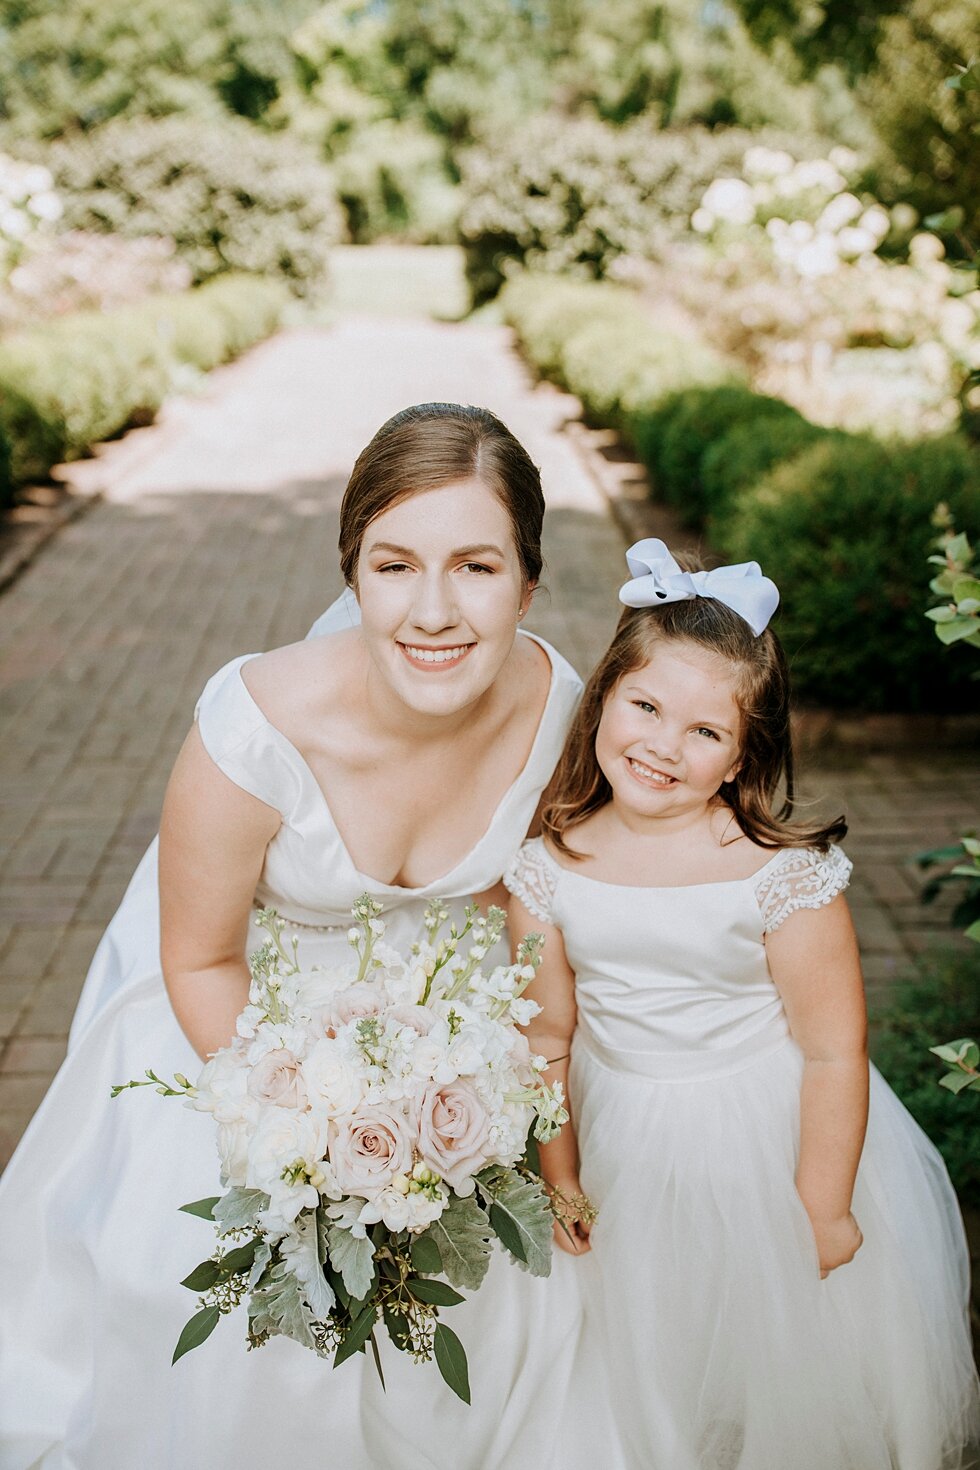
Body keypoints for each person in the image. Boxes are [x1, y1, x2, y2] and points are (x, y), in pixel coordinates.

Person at [0, 403, 585, 1470]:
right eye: (394, 565)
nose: (435, 610)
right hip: (248, 1023)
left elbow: (534, 917)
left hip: (454, 1031)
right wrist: (309, 1140)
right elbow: (198, 958)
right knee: (247, 1333)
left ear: (529, 583)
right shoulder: (251, 731)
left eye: (477, 566)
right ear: (352, 576)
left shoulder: (559, 713)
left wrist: (471, 1106)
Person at [505, 538, 980, 1470]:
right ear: (601, 699)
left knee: (771, 1356)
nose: (662, 746)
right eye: (643, 706)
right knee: (648, 1340)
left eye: (704, 732)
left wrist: (824, 1202)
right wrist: (557, 1170)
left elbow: (836, 1049)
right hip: (622, 1135)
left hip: (763, 1137)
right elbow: (547, 1037)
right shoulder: (548, 865)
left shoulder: (778, 876)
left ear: (739, 757)